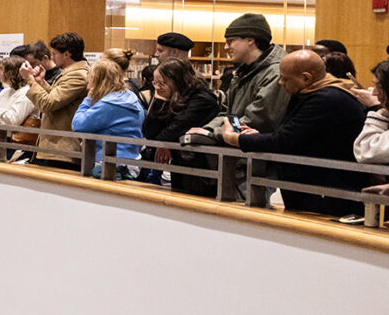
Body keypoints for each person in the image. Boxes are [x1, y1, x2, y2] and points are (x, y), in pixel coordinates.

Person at [226, 50, 369, 217]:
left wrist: (236, 139)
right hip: (318, 189)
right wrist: (256, 135)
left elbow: (284, 141)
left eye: (285, 78)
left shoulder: (325, 99)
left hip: (328, 194)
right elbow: (294, 134)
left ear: (306, 78)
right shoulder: (317, 93)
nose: (280, 83)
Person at [141, 59, 223, 194]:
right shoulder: (169, 97)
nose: (157, 87)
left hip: (203, 168)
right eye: (155, 83)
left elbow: (175, 129)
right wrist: (157, 102)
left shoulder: (202, 99)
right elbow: (149, 133)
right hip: (181, 162)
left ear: (178, 81)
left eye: (162, 83)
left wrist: (164, 142)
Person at [25, 32, 91, 165]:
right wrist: (41, 82)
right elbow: (55, 97)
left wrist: (30, 81)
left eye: (54, 54)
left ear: (67, 54)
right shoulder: (70, 72)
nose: (52, 57)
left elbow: (48, 104)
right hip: (55, 147)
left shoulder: (78, 75)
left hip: (63, 150)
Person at [73, 58, 146, 178]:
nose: (88, 85)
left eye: (90, 79)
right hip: (132, 161)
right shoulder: (132, 98)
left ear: (97, 81)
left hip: (110, 164)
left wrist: (87, 100)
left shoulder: (109, 105)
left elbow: (78, 125)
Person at [131, 32, 195, 95]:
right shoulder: (160, 76)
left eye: (160, 50)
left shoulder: (194, 84)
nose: (156, 54)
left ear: (175, 52)